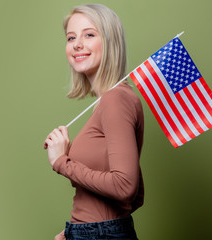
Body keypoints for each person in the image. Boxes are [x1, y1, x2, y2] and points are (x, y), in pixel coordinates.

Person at [43, 4, 144, 240]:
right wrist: (75, 230)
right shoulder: (114, 99)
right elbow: (137, 196)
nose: (77, 43)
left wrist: (61, 162)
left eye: (89, 34)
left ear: (110, 42)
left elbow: (125, 187)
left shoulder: (115, 100)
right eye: (71, 37)